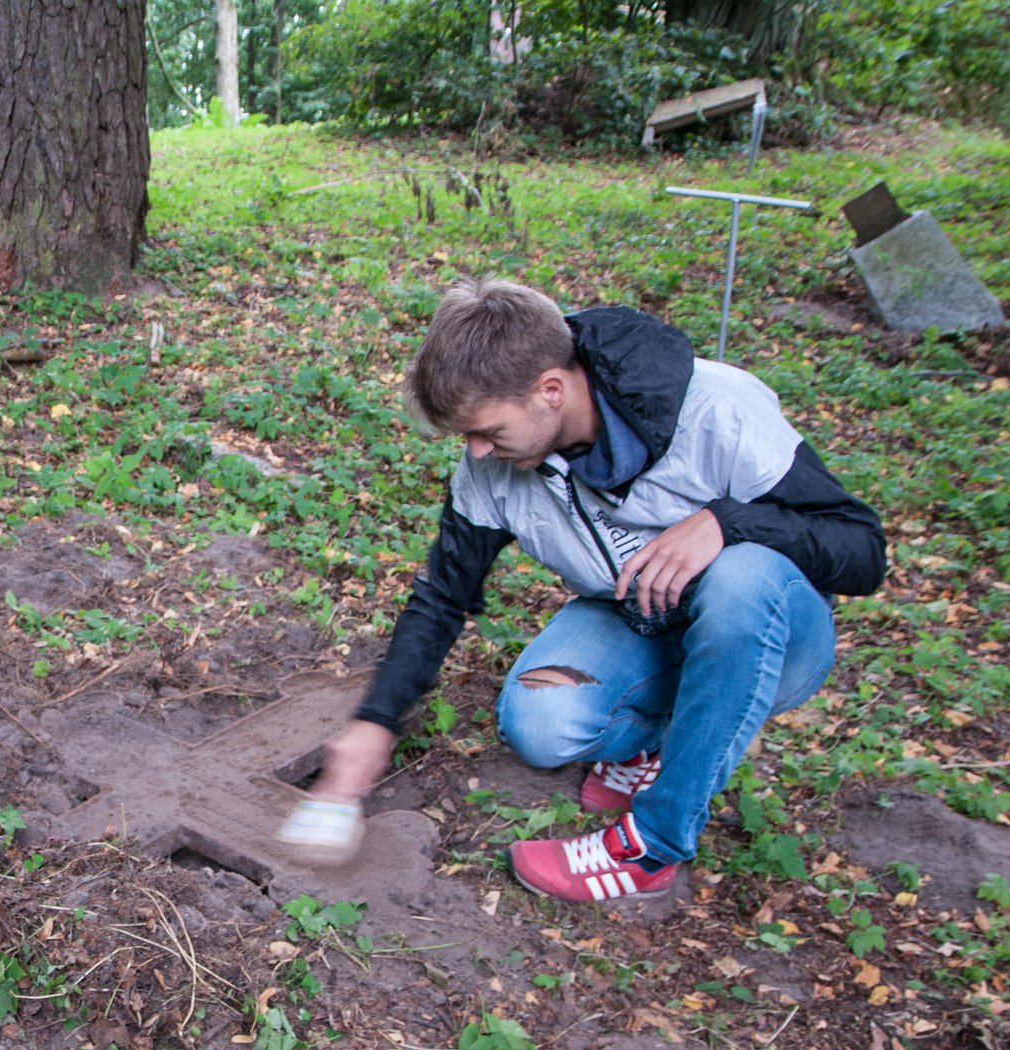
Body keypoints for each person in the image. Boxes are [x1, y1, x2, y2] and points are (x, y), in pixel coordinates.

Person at [277, 279, 885, 903]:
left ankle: (654, 845)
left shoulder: (717, 412)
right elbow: (442, 597)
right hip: (641, 618)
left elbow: (863, 551)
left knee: (742, 576)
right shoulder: (491, 466)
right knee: (541, 724)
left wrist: (728, 523)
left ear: (550, 390)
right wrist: (376, 723)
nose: (477, 450)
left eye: (487, 429)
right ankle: (665, 739)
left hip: (770, 637)